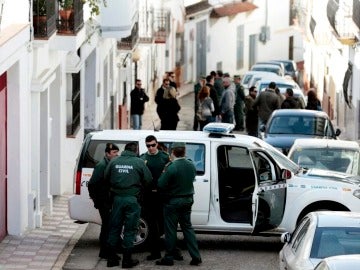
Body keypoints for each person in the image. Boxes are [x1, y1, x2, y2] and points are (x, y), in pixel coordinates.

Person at [105, 142, 152, 268]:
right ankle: (126, 261)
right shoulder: (139, 162)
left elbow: (106, 177)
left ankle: (111, 259)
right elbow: (148, 180)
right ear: (136, 150)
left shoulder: (114, 162)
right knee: (130, 229)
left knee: (114, 228)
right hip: (132, 199)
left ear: (124, 150)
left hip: (117, 199)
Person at [156, 142, 202, 267]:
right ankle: (196, 256)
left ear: (173, 152)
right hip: (187, 200)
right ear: (184, 151)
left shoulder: (171, 167)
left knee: (170, 230)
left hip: (173, 202)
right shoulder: (191, 165)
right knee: (188, 228)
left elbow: (160, 184)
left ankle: (169, 257)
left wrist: (164, 170)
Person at [140, 135, 171, 261]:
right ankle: (155, 252)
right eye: (148, 146)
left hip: (162, 194)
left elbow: (170, 173)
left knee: (164, 223)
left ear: (157, 144)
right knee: (152, 224)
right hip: (148, 196)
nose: (151, 148)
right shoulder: (143, 158)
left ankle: (171, 251)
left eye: (153, 145)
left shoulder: (164, 157)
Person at [87, 143, 119, 260]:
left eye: (117, 152)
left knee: (108, 226)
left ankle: (105, 251)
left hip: (108, 200)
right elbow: (92, 184)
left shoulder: (110, 163)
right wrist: (96, 200)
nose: (116, 154)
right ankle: (105, 251)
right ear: (107, 154)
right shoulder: (102, 165)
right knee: (107, 226)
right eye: (114, 153)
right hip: (103, 201)